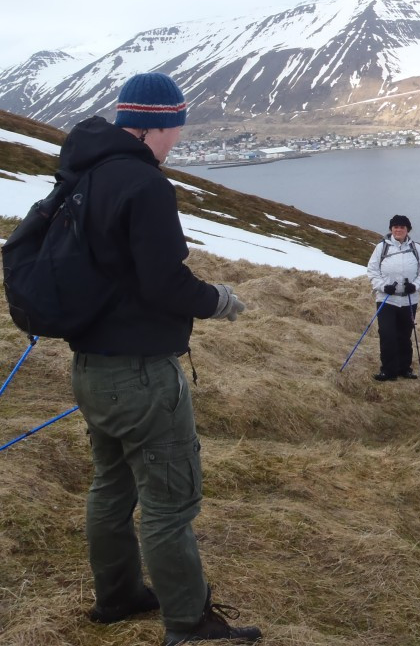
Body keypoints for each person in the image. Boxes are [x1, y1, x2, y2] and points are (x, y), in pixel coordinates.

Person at [64, 73, 262, 644]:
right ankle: (189, 623)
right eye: (177, 125)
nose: (178, 136)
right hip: (142, 373)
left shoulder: (86, 173)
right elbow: (164, 284)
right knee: (170, 501)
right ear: (158, 124)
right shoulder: (144, 184)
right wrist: (219, 301)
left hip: (90, 368)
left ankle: (119, 595)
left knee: (111, 484)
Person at [366, 215, 420, 381]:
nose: (398, 229)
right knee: (387, 334)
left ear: (408, 229)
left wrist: (415, 286)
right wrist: (382, 286)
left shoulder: (417, 249)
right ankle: (388, 370)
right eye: (395, 226)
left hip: (409, 300)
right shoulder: (381, 248)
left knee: (404, 334)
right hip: (386, 299)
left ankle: (404, 368)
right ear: (390, 229)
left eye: (402, 227)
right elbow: (372, 270)